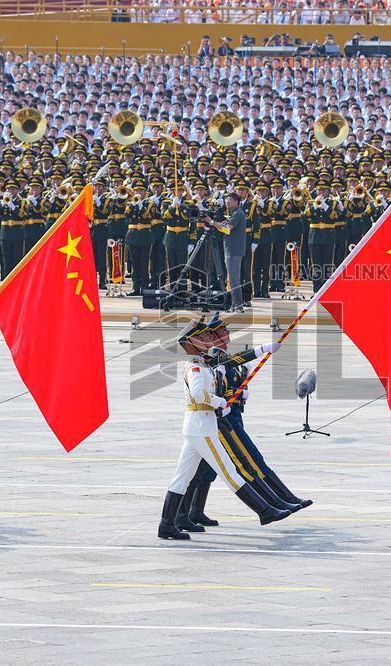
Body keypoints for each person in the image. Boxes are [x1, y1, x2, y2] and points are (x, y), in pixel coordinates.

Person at [157, 318, 291, 540]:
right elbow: (199, 395)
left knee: (182, 477)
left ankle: (167, 524)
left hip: (198, 426)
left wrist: (262, 350)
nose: (208, 339)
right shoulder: (197, 366)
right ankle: (265, 511)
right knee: (229, 471)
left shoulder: (205, 362)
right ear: (190, 343)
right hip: (202, 425)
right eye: (202, 337)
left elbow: (230, 361)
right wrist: (220, 403)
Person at [216, 191, 247, 311]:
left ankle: (238, 305)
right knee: (232, 279)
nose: (227, 202)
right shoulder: (235, 213)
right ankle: (236, 304)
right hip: (232, 249)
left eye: (230, 200)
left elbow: (227, 230)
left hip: (234, 250)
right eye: (226, 200)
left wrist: (212, 223)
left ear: (236, 202)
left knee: (234, 279)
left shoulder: (238, 213)